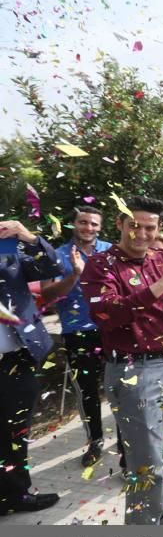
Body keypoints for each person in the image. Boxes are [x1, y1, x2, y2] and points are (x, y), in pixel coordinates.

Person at [82, 196, 163, 525]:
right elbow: (106, 314)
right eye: (134, 225)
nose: (142, 233)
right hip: (133, 370)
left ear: (158, 229)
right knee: (146, 461)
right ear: (120, 224)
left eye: (150, 227)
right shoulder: (101, 265)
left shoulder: (162, 258)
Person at [39, 206, 113, 468]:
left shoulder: (111, 250)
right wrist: (75, 274)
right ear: (74, 225)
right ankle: (95, 440)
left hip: (112, 329)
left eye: (94, 224)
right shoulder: (56, 255)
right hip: (77, 332)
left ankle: (127, 435)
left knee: (121, 385)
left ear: (100, 227)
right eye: (83, 223)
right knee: (88, 390)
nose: (88, 228)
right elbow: (48, 297)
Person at [0, 220, 62, 516]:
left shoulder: (8, 253)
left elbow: (51, 267)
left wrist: (27, 236)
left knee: (15, 430)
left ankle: (15, 495)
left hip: (15, 359)